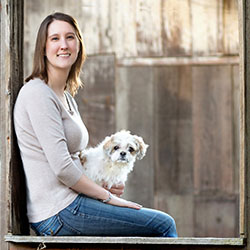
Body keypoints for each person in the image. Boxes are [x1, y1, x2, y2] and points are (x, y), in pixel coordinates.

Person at [14, 12, 177, 237]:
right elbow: (62, 167)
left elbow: (76, 159)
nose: (63, 45)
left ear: (79, 45)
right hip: (58, 211)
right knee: (163, 225)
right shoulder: (37, 93)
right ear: (43, 47)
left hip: (74, 203)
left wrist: (106, 186)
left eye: (70, 37)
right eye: (55, 39)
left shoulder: (65, 97)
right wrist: (107, 197)